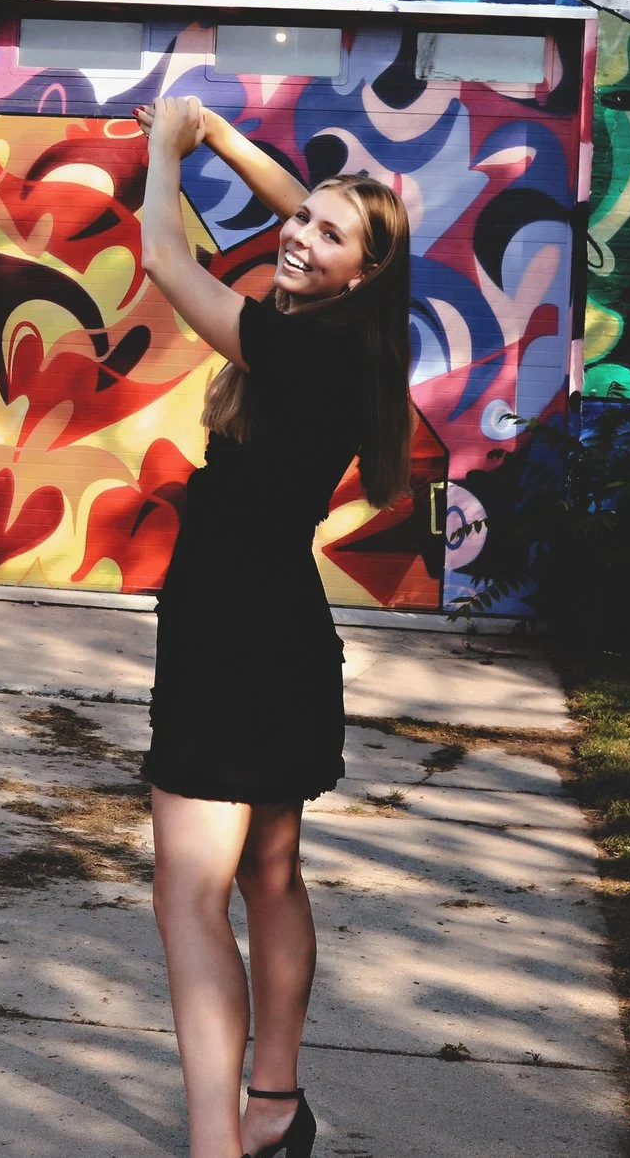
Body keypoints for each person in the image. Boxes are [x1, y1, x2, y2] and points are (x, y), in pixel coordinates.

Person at [132, 94, 414, 1158]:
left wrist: (167, 150)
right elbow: (314, 218)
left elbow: (165, 258)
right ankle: (276, 1105)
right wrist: (221, 135)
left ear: (360, 273)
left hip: (230, 637)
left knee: (189, 895)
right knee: (268, 874)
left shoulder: (299, 351)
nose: (298, 234)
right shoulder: (355, 334)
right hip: (282, 630)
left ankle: (217, 1145)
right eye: (303, 219)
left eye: (325, 236)